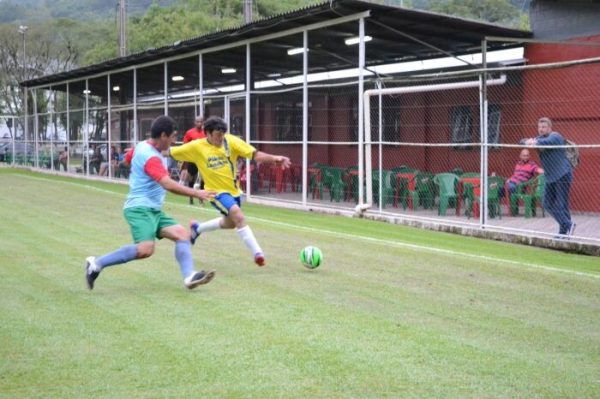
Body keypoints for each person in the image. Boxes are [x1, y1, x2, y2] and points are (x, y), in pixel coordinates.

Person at [84, 116, 217, 290]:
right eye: (172, 136)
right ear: (163, 135)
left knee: (182, 234)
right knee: (146, 249)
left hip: (153, 209)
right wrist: (195, 192)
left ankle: (189, 277)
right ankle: (96, 263)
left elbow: (127, 158)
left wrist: (132, 166)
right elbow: (167, 184)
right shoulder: (151, 157)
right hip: (139, 209)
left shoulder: (141, 145)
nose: (174, 140)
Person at [167, 116, 291, 267]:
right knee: (238, 215)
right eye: (217, 135)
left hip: (234, 191)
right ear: (208, 133)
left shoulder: (231, 141)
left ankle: (197, 228)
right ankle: (258, 253)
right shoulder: (196, 147)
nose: (221, 138)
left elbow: (255, 155)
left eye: (222, 134)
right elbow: (169, 152)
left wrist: (275, 158)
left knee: (231, 223)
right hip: (215, 192)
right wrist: (141, 150)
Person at [521, 117, 575, 237]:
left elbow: (546, 142)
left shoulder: (555, 136)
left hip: (562, 175)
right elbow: (521, 141)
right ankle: (568, 224)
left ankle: (564, 233)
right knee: (546, 203)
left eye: (544, 127)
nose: (541, 129)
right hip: (550, 176)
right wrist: (527, 142)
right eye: (539, 127)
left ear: (550, 128)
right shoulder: (539, 138)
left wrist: (533, 142)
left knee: (562, 205)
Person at [180, 116, 206, 204]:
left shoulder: (206, 133)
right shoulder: (189, 133)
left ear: (203, 122)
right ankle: (191, 198)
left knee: (203, 178)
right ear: (195, 122)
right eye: (197, 122)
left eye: (201, 122)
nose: (199, 123)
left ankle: (201, 199)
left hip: (203, 159)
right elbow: (185, 145)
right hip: (192, 159)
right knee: (191, 178)